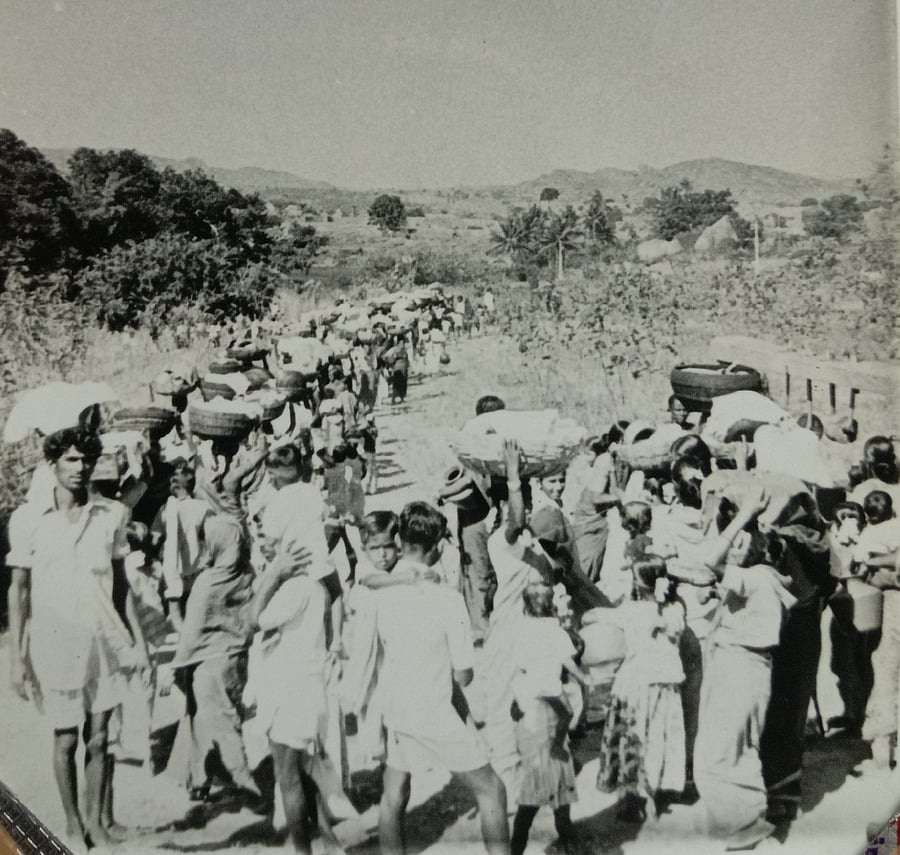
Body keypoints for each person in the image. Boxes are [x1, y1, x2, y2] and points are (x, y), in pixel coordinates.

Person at [6, 425, 143, 851]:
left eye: (86, 459)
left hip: (103, 640)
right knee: (66, 739)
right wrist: (17, 656)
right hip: (56, 642)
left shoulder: (110, 515)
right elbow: (19, 589)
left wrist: (134, 641)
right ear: (52, 465)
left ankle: (97, 823)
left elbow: (122, 586)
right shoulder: (28, 519)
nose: (80, 468)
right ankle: (70, 826)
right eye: (70, 459)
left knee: (100, 737)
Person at [370, 502, 509, 855]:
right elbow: (463, 676)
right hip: (431, 710)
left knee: (394, 793)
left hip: (395, 707)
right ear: (436, 546)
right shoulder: (447, 599)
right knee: (492, 790)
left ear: (400, 540)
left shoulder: (381, 590)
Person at [693, 487, 794, 851]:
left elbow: (707, 559)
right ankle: (751, 834)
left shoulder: (756, 578)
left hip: (738, 670)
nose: (732, 547)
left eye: (739, 542)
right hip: (746, 670)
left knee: (717, 759)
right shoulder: (764, 579)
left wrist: (744, 513)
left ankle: (748, 838)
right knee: (737, 753)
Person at [165, 510, 261, 807]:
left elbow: (192, 633)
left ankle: (245, 785)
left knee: (212, 726)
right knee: (220, 721)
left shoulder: (208, 581)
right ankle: (203, 780)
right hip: (236, 660)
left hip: (206, 666)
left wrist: (173, 669)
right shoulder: (248, 572)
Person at [597, 546, 687, 822]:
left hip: (635, 682)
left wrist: (590, 615)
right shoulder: (675, 610)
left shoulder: (632, 610)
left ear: (637, 582)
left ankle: (631, 795)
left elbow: (601, 617)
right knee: (657, 737)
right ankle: (653, 792)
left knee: (632, 737)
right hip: (664, 683)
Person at [509, 583, 586, 855]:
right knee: (561, 807)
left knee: (526, 809)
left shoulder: (521, 632)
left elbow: (519, 668)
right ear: (551, 605)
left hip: (530, 716)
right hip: (552, 733)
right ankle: (570, 846)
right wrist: (583, 677)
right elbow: (568, 661)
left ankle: (515, 851)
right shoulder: (555, 633)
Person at [855, 491, 900, 772]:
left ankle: (882, 753)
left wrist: (870, 564)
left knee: (885, 670)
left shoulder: (873, 534)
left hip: (892, 605)